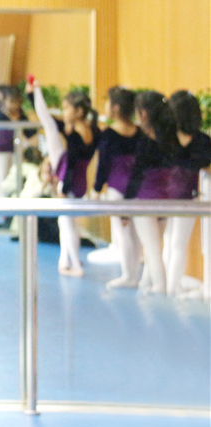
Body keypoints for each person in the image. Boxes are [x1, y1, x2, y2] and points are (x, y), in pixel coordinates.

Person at [28, 78, 97, 277]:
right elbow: (48, 120)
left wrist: (64, 189)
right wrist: (34, 94)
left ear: (79, 111)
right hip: (80, 184)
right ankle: (66, 259)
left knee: (67, 226)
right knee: (68, 224)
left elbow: (72, 166)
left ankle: (74, 264)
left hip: (70, 184)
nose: (63, 112)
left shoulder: (75, 137)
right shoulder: (92, 131)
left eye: (66, 108)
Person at [125, 91, 179, 295]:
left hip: (146, 198)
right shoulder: (172, 138)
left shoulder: (144, 141)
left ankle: (160, 287)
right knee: (154, 246)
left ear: (144, 114)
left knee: (151, 247)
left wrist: (126, 204)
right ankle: (146, 284)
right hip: (167, 197)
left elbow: (136, 173)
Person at [163, 90, 211, 297]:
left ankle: (170, 287)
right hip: (187, 197)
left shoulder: (167, 139)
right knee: (176, 243)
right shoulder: (202, 141)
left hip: (171, 195)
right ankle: (172, 287)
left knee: (171, 241)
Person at [93, 87, 142, 289]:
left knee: (124, 233)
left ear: (116, 107)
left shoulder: (109, 134)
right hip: (137, 187)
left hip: (117, 187)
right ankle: (133, 274)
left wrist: (97, 188)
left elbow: (103, 165)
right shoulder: (140, 133)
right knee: (134, 233)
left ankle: (129, 275)